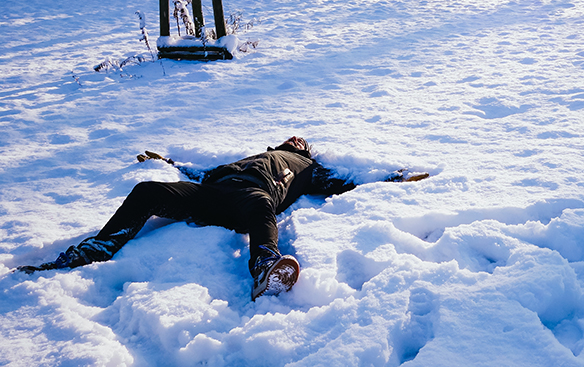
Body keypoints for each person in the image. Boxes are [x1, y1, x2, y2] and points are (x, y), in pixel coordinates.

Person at [16, 136, 427, 300]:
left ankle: (265, 263)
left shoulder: (309, 168)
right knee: (147, 191)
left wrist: (394, 178)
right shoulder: (255, 154)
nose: (296, 142)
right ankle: (96, 248)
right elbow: (196, 170)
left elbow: (348, 181)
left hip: (251, 201)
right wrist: (168, 162)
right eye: (293, 139)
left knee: (262, 207)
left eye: (302, 141)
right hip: (209, 194)